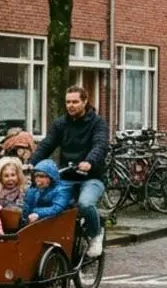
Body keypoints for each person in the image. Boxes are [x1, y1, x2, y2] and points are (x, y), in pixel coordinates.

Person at [30, 86, 109, 258]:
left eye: (75, 102)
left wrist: (89, 161)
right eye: (67, 102)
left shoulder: (98, 123)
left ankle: (96, 234)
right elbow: (47, 144)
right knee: (48, 203)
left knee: (85, 204)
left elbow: (100, 144)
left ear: (85, 102)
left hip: (91, 177)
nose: (70, 105)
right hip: (66, 175)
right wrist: (32, 163)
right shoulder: (60, 123)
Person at [20, 159, 74, 226]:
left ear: (51, 177)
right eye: (36, 176)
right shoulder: (35, 189)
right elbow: (28, 206)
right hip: (40, 223)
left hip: (59, 223)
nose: (38, 179)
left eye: (42, 176)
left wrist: (38, 213)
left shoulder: (63, 189)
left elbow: (57, 208)